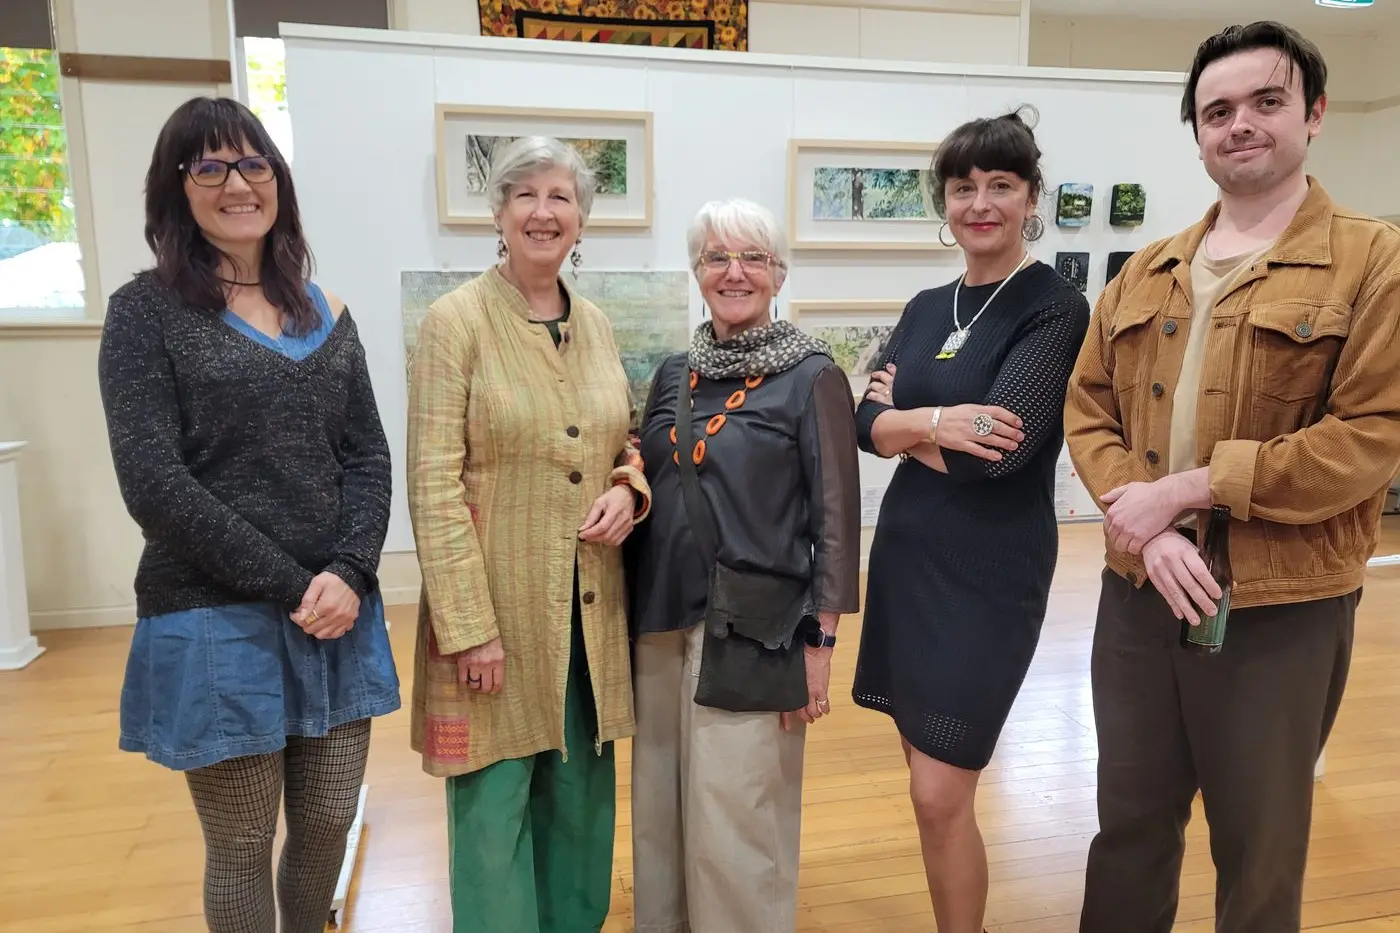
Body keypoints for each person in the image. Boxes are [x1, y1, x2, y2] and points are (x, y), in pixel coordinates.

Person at [1064, 21, 1400, 932]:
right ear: (1198, 131)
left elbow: (1373, 435)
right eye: (1217, 110)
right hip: (1140, 591)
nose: (1239, 124)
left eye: (1265, 102)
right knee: (1128, 826)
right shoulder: (1148, 270)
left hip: (1277, 605)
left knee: (1258, 845)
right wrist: (1146, 522)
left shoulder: (1373, 260)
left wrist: (1190, 489)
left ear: (1314, 113)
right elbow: (1088, 408)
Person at [96, 97, 399, 933]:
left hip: (337, 617)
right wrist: (299, 581)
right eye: (211, 166)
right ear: (177, 189)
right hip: (212, 619)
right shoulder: (145, 313)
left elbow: (368, 457)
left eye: (254, 163)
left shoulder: (324, 309)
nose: (238, 183)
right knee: (241, 843)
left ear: (278, 181)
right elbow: (153, 480)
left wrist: (349, 573)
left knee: (330, 821)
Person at [405, 136, 652, 933]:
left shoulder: (601, 326)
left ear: (582, 220)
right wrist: (468, 628)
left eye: (562, 197)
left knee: (581, 807)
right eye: (526, 196)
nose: (544, 212)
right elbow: (432, 480)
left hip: (591, 608)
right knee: (494, 810)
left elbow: (628, 438)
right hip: (496, 614)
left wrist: (630, 487)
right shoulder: (456, 322)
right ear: (500, 214)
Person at [853, 109, 1091, 933]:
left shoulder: (1055, 306)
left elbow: (1003, 452)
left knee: (938, 786)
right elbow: (862, 420)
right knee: (926, 781)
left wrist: (904, 421)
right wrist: (934, 422)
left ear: (1032, 199)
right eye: (963, 188)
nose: (980, 202)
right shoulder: (927, 305)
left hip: (990, 574)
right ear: (944, 202)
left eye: (1001, 185)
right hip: (908, 563)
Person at [624, 197, 862, 933]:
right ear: (697, 272)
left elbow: (837, 519)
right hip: (661, 616)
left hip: (757, 627)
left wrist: (819, 646)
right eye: (717, 257)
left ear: (778, 273)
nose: (734, 272)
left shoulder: (812, 376)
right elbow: (643, 461)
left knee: (738, 818)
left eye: (752, 257)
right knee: (661, 812)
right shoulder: (673, 373)